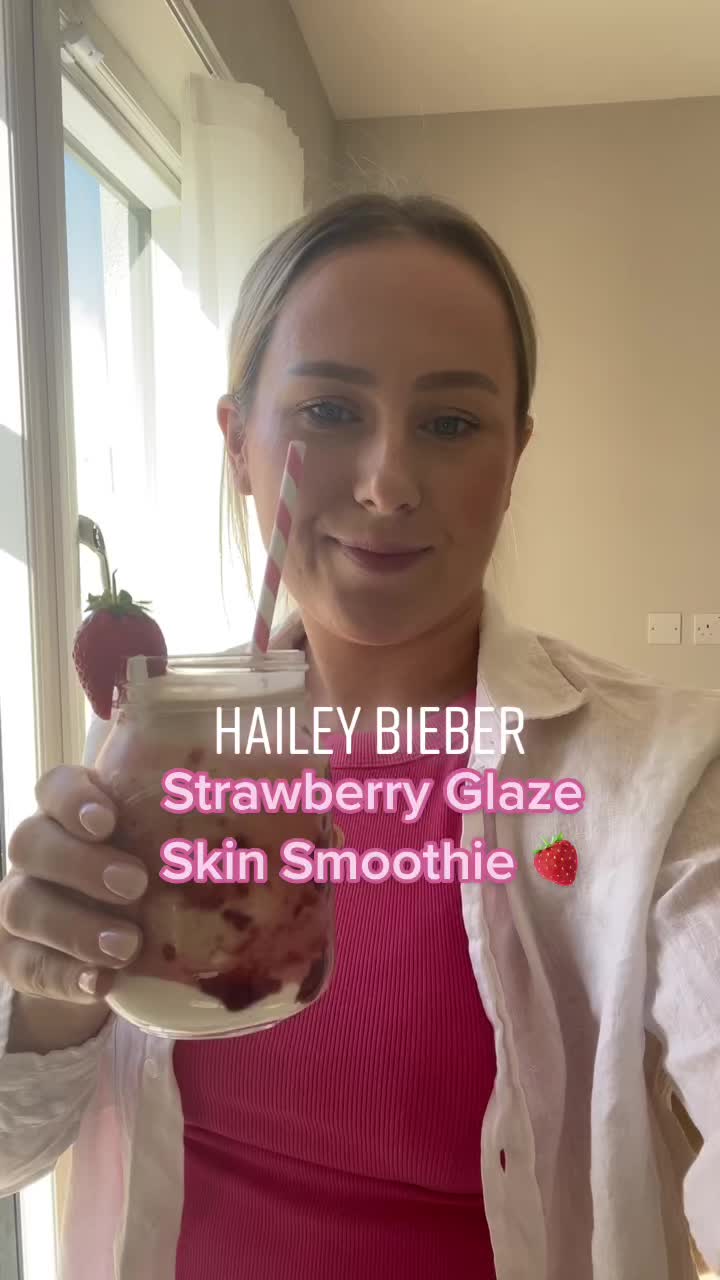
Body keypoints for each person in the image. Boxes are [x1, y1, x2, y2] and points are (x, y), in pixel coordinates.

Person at [0, 193, 718, 1280]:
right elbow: (13, 1155)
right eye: (331, 410)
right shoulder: (159, 745)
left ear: (514, 457)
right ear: (239, 442)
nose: (387, 483)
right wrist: (50, 1000)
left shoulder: (656, 780)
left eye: (451, 423)